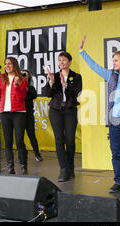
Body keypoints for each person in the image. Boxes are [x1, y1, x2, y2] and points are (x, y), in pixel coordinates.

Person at [79, 36, 120, 194]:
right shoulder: (111, 76)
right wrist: (82, 51)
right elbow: (94, 66)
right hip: (114, 122)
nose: (113, 63)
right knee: (116, 154)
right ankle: (118, 182)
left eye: (115, 60)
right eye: (113, 60)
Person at [42, 52, 82, 182]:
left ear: (69, 62)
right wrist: (52, 82)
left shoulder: (76, 76)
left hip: (70, 110)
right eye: (59, 60)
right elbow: (47, 94)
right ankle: (63, 169)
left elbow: (77, 92)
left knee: (70, 140)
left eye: (64, 60)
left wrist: (66, 85)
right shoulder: (54, 76)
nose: (61, 63)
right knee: (59, 139)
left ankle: (70, 167)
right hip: (55, 110)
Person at [0, 57, 28, 175]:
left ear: (15, 65)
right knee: (7, 142)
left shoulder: (22, 79)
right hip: (4, 112)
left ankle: (23, 165)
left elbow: (21, 98)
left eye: (10, 64)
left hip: (19, 112)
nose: (7, 66)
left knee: (19, 141)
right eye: (5, 64)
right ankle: (10, 167)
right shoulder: (2, 79)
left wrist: (17, 85)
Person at [22, 70, 43, 163]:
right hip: (18, 115)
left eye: (25, 75)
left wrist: (25, 85)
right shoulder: (15, 87)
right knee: (19, 137)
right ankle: (22, 155)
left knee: (31, 135)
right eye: (21, 74)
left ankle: (37, 154)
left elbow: (34, 96)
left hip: (28, 115)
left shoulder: (30, 88)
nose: (23, 76)